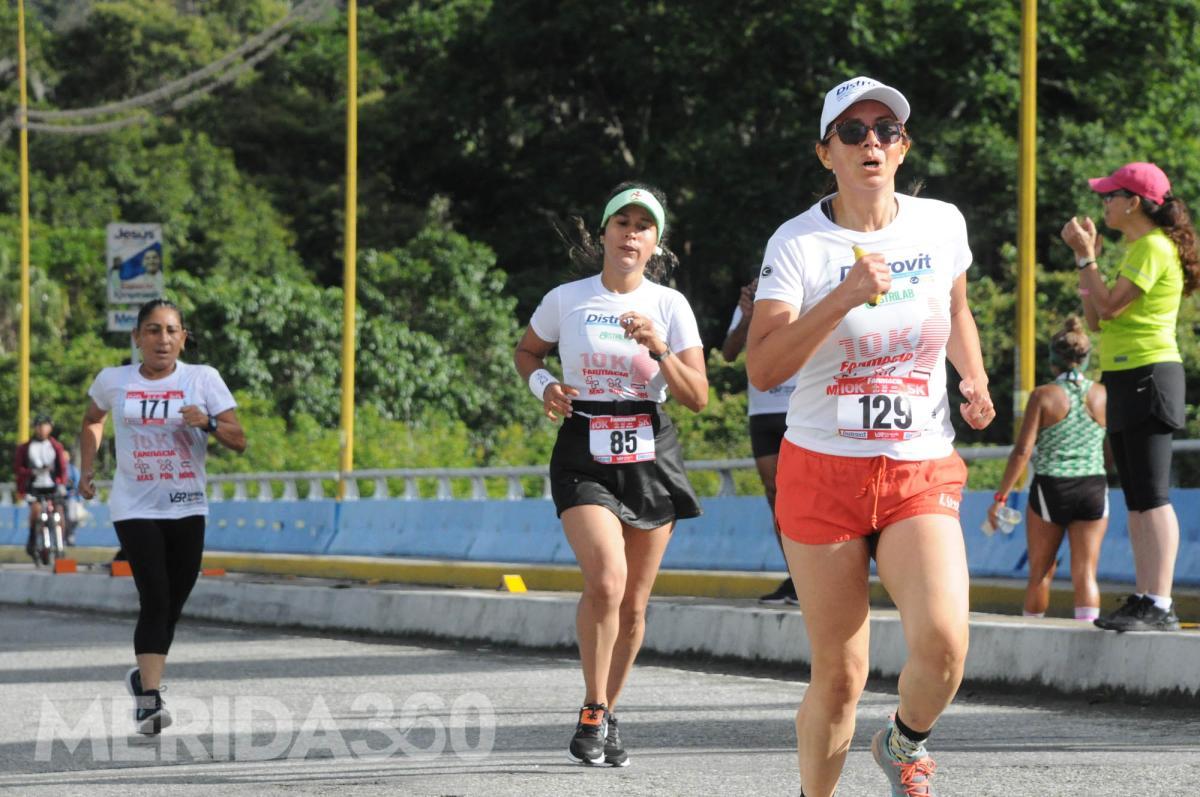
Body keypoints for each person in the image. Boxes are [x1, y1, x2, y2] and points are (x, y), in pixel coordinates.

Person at [746, 76, 995, 797]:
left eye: (886, 130)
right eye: (852, 132)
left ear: (903, 147)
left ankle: (903, 741)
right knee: (841, 674)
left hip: (918, 463)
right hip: (823, 470)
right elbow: (764, 365)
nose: (871, 143)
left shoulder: (940, 223)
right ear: (826, 152)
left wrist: (973, 376)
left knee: (945, 644)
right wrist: (843, 296)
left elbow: (956, 308)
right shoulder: (798, 243)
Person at [513, 182, 708, 768]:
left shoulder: (670, 305)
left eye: (643, 226)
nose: (631, 234)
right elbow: (527, 352)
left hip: (649, 449)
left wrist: (660, 348)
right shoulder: (566, 299)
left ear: (656, 242)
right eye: (622, 223)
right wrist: (544, 385)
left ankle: (608, 712)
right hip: (585, 448)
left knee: (635, 605)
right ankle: (593, 706)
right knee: (606, 580)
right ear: (603, 234)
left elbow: (697, 396)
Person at [78, 298, 246, 734]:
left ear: (183, 338)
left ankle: (143, 676)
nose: (162, 339)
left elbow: (239, 439)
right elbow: (92, 420)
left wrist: (207, 422)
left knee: (173, 600)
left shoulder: (203, 378)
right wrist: (86, 469)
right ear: (137, 337)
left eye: (171, 331)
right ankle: (149, 701)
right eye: (152, 330)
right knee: (154, 597)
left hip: (187, 504)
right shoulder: (114, 380)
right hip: (134, 507)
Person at [1062, 161, 1199, 633]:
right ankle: (1145, 597)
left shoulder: (1153, 247)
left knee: (1153, 496)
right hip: (1124, 376)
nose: (1104, 204)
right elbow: (1097, 318)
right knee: (1137, 498)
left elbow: (1108, 304)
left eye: (1110, 196)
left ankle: (1161, 602)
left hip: (1150, 374)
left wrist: (1087, 259)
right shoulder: (1137, 249)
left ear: (1133, 202)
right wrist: (1086, 263)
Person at [989, 317, 1108, 621]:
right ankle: (1087, 637)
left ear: (1053, 360)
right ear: (1085, 358)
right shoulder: (1102, 394)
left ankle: (1032, 637)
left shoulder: (1043, 395)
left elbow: (1022, 451)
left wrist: (1001, 497)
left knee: (1041, 572)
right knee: (1086, 573)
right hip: (1093, 485)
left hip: (1052, 487)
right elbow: (1110, 448)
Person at [721, 277, 799, 604]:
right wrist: (747, 317)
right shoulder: (754, 299)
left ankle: (823, 572)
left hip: (803, 408)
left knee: (811, 492)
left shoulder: (806, 288)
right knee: (775, 495)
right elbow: (728, 353)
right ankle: (797, 577)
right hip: (763, 411)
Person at [14, 413, 70, 563]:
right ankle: (32, 541)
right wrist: (30, 473)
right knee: (36, 511)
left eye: (45, 426)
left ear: (50, 428)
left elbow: (62, 469)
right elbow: (18, 469)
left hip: (52, 486)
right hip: (34, 487)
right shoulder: (25, 448)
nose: (42, 429)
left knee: (60, 513)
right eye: (39, 426)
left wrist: (62, 484)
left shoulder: (56, 446)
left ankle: (61, 542)